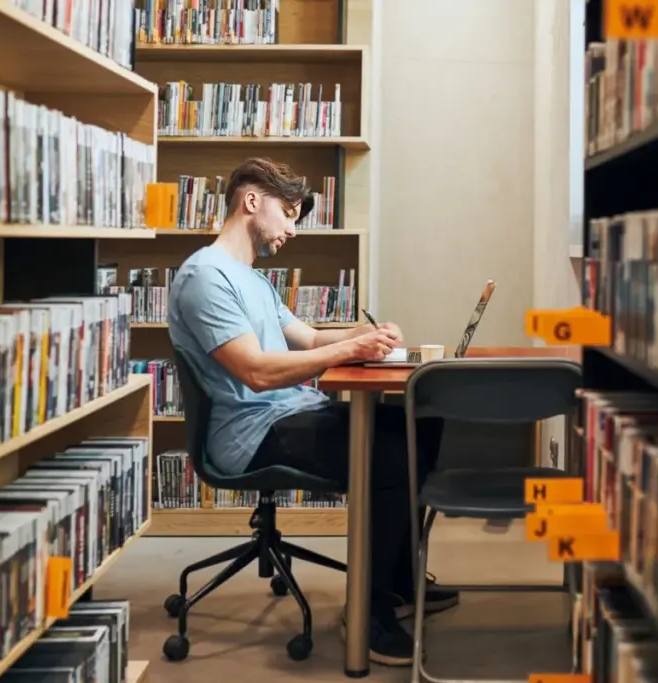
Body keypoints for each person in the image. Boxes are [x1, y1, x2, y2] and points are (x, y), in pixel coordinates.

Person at [168, 157, 458, 667]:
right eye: (289, 213)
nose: (292, 230)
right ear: (252, 201)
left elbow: (311, 338)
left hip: (289, 414)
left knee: (420, 426)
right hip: (251, 432)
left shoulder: (253, 279)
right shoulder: (205, 278)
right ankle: (368, 615)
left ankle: (395, 585)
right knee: (389, 456)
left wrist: (365, 337)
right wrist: (347, 354)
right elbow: (256, 372)